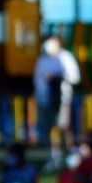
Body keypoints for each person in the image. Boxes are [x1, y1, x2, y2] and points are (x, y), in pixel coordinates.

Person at [34, 36, 81, 165]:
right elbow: (38, 79)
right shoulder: (42, 59)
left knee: (64, 126)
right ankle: (53, 156)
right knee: (49, 128)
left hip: (61, 98)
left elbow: (74, 77)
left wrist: (56, 77)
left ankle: (70, 155)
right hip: (44, 99)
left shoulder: (64, 57)